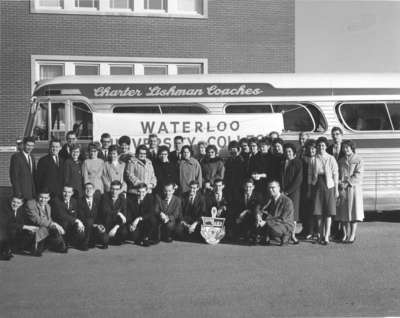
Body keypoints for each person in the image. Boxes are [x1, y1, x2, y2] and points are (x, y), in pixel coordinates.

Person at [312, 137, 339, 245]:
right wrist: (310, 189)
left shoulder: (331, 158)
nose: (321, 147)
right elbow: (310, 175)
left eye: (323, 145)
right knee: (318, 213)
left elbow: (335, 174)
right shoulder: (314, 159)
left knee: (328, 212)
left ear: (326, 146)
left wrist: (336, 190)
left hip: (329, 186)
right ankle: (320, 235)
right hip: (317, 185)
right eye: (319, 145)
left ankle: (326, 236)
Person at [25, 188, 68, 255]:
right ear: (37, 197)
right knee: (47, 228)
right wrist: (54, 224)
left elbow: (49, 220)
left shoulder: (48, 206)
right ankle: (35, 246)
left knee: (53, 229)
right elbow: (37, 220)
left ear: (49, 198)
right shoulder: (30, 203)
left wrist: (55, 225)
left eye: (45, 198)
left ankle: (58, 245)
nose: (43, 200)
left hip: (44, 228)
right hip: (33, 227)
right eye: (41, 197)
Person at [336, 140, 364, 243]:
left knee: (353, 213)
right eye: (344, 147)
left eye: (347, 147)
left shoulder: (358, 159)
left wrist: (348, 182)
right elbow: (337, 173)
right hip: (342, 189)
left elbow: (358, 174)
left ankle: (352, 235)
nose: (345, 149)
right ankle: (344, 234)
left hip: (353, 189)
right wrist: (339, 182)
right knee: (343, 213)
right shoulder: (341, 161)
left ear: (352, 148)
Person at [258, 181, 295, 246]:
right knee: (256, 222)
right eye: (269, 188)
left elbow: (283, 218)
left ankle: (286, 235)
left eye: (273, 187)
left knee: (270, 228)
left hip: (285, 224)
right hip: (273, 222)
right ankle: (266, 236)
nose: (270, 190)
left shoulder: (287, 201)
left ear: (279, 188)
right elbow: (260, 208)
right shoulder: (269, 199)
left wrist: (266, 222)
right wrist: (258, 216)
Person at [0, 195, 36, 260]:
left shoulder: (21, 210)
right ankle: (5, 251)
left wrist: (31, 228)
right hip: (4, 231)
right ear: (11, 201)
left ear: (21, 204)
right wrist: (25, 226)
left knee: (29, 233)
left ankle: (13, 249)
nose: (15, 204)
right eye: (14, 202)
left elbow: (25, 221)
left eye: (18, 203)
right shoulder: (4, 209)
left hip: (14, 232)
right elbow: (7, 224)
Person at [281, 143, 303, 244]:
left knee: (293, 215)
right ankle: (285, 234)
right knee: (284, 213)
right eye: (286, 151)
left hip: (294, 192)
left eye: (289, 151)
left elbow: (298, 180)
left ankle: (293, 235)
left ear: (293, 152)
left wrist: (288, 191)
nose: (287, 153)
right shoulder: (282, 162)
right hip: (283, 191)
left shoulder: (297, 162)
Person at [51, 185, 85, 249]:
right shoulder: (56, 200)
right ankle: (63, 242)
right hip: (60, 225)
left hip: (70, 224)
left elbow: (75, 214)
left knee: (80, 229)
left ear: (72, 193)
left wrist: (79, 223)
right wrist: (77, 220)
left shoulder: (74, 201)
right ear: (61, 192)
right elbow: (61, 215)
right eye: (64, 192)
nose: (66, 194)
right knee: (65, 222)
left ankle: (73, 243)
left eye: (69, 192)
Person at [78, 182, 108, 250]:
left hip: (95, 225)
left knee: (105, 239)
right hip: (84, 226)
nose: (89, 190)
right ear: (83, 190)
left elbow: (100, 215)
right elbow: (81, 216)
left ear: (94, 190)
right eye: (86, 188)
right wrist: (91, 223)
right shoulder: (79, 201)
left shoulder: (98, 201)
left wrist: (98, 224)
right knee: (89, 221)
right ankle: (85, 243)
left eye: (90, 188)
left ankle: (99, 241)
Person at [234, 178, 264, 243]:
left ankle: (256, 235)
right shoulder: (239, 195)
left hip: (253, 215)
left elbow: (257, 207)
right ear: (244, 187)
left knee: (256, 215)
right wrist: (238, 216)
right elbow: (237, 207)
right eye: (246, 187)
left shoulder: (258, 195)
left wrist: (246, 211)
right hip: (243, 217)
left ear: (253, 187)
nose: (248, 189)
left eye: (250, 187)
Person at [99, 181, 128, 245]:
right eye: (112, 189)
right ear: (110, 188)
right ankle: (107, 238)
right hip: (106, 223)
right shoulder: (104, 197)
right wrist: (118, 213)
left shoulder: (123, 199)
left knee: (124, 232)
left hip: (116, 223)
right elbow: (105, 212)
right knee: (103, 239)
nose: (114, 191)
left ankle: (111, 239)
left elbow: (125, 217)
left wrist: (116, 227)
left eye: (117, 189)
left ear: (120, 190)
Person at [299, 139, 317, 239]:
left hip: (315, 187)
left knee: (313, 209)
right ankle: (305, 229)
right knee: (305, 209)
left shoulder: (318, 159)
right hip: (305, 186)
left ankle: (313, 231)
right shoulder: (303, 159)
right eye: (309, 149)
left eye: (313, 149)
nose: (311, 151)